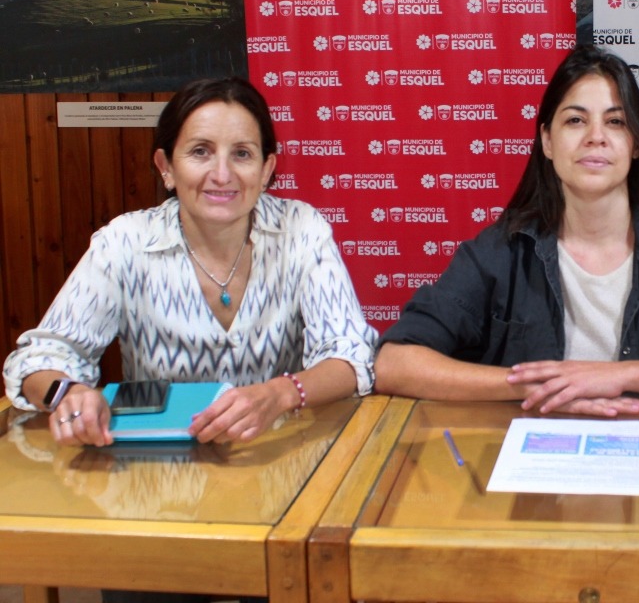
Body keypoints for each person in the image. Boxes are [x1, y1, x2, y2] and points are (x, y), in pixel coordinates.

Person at [375, 45, 639, 415]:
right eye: (575, 121)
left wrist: (621, 375)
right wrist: (534, 386)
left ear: (636, 144)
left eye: (615, 122)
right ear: (547, 141)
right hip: (531, 473)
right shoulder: (501, 251)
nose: (596, 137)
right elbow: (395, 363)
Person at [4, 77, 379, 449]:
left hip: (275, 456)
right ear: (166, 166)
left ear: (266, 170)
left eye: (242, 154)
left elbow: (350, 355)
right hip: (155, 472)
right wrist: (67, 394)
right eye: (200, 151)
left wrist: (280, 394)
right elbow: (41, 357)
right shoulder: (126, 241)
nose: (221, 174)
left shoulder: (301, 229)